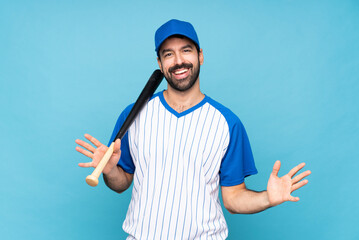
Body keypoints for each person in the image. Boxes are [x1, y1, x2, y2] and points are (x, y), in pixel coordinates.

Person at [75, 19, 311, 239]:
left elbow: (233, 199)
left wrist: (268, 198)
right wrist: (110, 171)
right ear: (160, 63)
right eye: (168, 54)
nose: (178, 61)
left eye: (186, 50)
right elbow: (121, 183)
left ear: (200, 56)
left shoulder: (227, 123)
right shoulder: (133, 115)